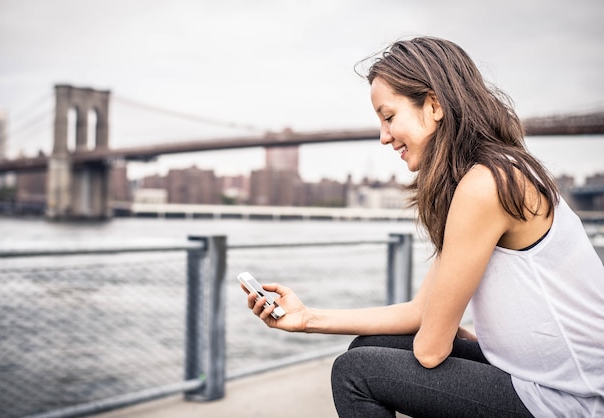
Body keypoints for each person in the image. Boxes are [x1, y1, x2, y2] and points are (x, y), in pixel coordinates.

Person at [242, 37, 604, 417]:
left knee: (356, 373)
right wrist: (307, 318)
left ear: (433, 105)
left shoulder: (487, 184)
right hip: (544, 378)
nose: (384, 136)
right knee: (371, 345)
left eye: (388, 116)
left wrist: (442, 333)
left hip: (575, 399)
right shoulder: (491, 173)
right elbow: (420, 313)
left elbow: (430, 351)